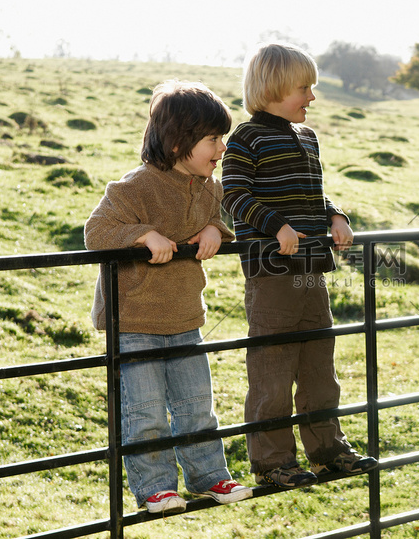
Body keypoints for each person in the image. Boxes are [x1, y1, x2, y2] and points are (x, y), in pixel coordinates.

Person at [84, 80, 252, 514]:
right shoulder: (137, 186)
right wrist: (143, 234)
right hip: (136, 320)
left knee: (197, 407)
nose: (221, 148)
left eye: (222, 138)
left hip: (184, 317)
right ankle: (156, 487)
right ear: (179, 142)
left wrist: (216, 230)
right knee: (145, 413)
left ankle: (208, 476)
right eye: (213, 139)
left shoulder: (209, 186)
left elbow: (218, 215)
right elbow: (96, 231)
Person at [221, 43, 378, 488]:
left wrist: (336, 216)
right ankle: (273, 463)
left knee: (318, 367)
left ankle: (328, 450)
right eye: (303, 88)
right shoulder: (247, 139)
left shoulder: (307, 138)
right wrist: (276, 227)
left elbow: (314, 193)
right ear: (272, 89)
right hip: (272, 276)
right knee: (273, 369)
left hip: (312, 271)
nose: (312, 97)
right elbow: (233, 195)